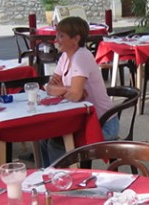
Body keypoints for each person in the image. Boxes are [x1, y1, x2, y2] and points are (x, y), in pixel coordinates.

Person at [40, 16, 119, 166]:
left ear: (76, 39)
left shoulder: (81, 56)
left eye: (61, 36)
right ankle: (48, 177)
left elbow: (75, 96)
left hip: (102, 124)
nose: (56, 40)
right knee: (44, 138)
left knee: (56, 143)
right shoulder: (65, 56)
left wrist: (64, 90)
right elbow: (49, 87)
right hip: (83, 120)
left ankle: (64, 182)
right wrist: (66, 89)